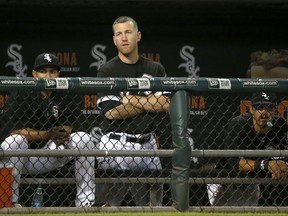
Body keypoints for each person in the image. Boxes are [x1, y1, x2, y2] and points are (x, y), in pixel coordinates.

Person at [0, 53, 95, 207]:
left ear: (58, 74)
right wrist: (48, 133)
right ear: (34, 74)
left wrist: (61, 133)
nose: (48, 75)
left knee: (84, 138)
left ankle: (86, 202)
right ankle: (9, 201)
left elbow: (69, 124)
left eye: (52, 71)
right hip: (22, 157)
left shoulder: (65, 92)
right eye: (43, 71)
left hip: (49, 154)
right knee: (16, 141)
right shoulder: (22, 91)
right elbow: (15, 131)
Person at [96, 16, 170, 206]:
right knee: (108, 205)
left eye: (128, 32)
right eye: (119, 34)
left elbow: (165, 104)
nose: (124, 38)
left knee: (154, 206)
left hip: (148, 143)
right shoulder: (106, 70)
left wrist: (130, 99)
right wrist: (148, 102)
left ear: (138, 36)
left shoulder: (155, 68)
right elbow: (111, 112)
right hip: (115, 143)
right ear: (114, 40)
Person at [207, 92, 288, 206]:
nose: (264, 112)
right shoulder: (239, 124)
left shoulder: (278, 125)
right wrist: (267, 165)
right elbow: (234, 163)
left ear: (275, 111)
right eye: (259, 108)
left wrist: (282, 167)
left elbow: (285, 154)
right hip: (224, 182)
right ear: (251, 110)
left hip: (250, 184)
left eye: (269, 108)